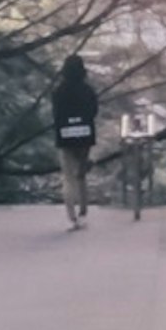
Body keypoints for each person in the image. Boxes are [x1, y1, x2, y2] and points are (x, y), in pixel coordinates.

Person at [50, 53, 101, 229]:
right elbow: (94, 111)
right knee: (81, 175)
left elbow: (56, 114)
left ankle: (71, 217)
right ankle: (83, 213)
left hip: (65, 135)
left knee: (68, 177)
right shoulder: (88, 90)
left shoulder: (58, 91)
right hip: (85, 134)